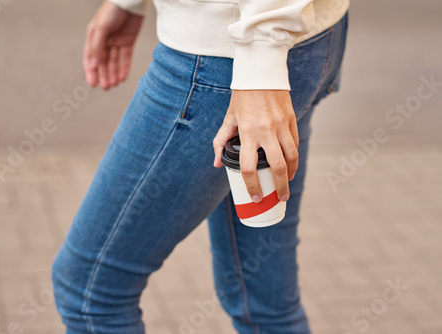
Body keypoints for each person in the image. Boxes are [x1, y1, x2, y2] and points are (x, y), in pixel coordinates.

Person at [52, 0, 349, 332]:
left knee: (89, 294)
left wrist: (261, 57)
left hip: (230, 62)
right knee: (265, 304)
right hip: (300, 36)